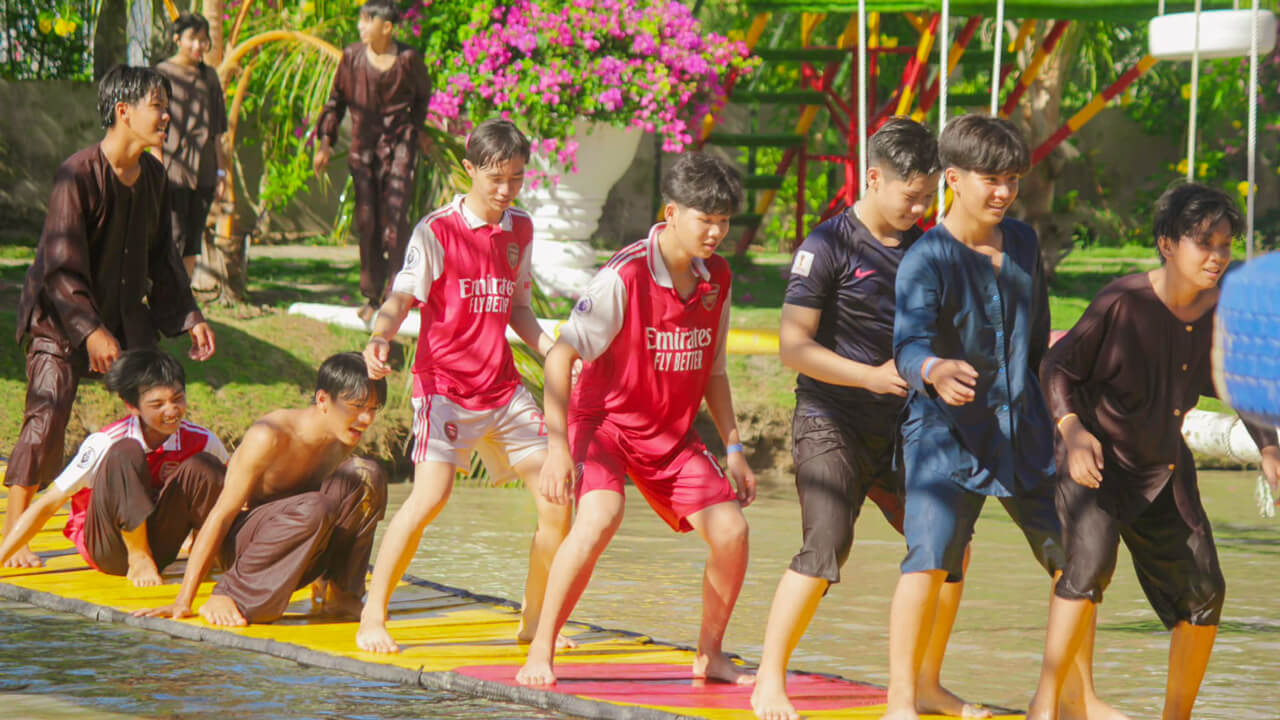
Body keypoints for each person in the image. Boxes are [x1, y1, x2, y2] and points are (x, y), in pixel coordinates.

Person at [752, 118, 985, 720]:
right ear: (873, 178)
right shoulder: (826, 246)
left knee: (949, 546)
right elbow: (792, 347)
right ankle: (768, 680)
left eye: (928, 196)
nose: (920, 207)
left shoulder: (927, 248)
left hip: (908, 423)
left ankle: (925, 685)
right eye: (910, 195)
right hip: (832, 415)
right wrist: (867, 376)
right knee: (827, 544)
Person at [1026, 183, 1280, 720]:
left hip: (1163, 469)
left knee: (1206, 594)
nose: (1216, 257)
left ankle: (1176, 716)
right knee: (1087, 569)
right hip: (1095, 463)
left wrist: (1269, 448)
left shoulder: (1217, 315)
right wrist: (1071, 430)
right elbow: (1057, 368)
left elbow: (1238, 385)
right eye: (1203, 243)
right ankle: (1044, 707)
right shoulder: (1122, 302)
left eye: (1226, 245)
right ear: (1167, 244)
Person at [885, 114, 1107, 720]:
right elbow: (907, 345)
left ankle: (1077, 701)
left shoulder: (1026, 243)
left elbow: (1038, 346)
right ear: (952, 178)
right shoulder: (926, 258)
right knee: (929, 560)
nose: (1004, 192)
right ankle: (902, 701)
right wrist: (933, 368)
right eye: (991, 179)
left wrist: (1068, 417)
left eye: (1012, 179)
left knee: (1078, 562)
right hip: (943, 440)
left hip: (1024, 434)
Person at [517, 152, 756, 688]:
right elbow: (560, 356)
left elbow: (714, 370)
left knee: (733, 532)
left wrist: (735, 448)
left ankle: (709, 654)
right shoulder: (624, 276)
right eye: (705, 219)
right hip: (604, 425)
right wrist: (558, 450)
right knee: (600, 517)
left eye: (724, 221)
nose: (716, 231)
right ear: (671, 213)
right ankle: (541, 647)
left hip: (671, 436)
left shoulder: (717, 275)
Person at [356, 119, 569, 653]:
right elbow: (400, 299)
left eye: (517, 179)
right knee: (431, 496)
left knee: (558, 499)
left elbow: (518, 309)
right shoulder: (437, 230)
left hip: (501, 386)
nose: (505, 191)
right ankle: (373, 617)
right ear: (469, 169)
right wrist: (380, 337)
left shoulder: (520, 228)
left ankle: (535, 620)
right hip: (444, 385)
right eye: (495, 179)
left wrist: (553, 353)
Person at [5, 65, 216, 570]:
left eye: (167, 107)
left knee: (158, 401)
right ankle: (16, 536)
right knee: (48, 410)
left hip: (124, 316)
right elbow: (58, 268)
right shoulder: (76, 174)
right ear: (124, 111)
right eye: (157, 107)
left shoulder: (155, 177)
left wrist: (189, 316)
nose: (167, 117)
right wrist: (90, 331)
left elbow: (164, 258)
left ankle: (160, 520)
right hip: (61, 317)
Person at [137, 353, 388, 626]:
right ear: (323, 401)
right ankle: (230, 594)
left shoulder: (344, 435)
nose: (366, 418)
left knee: (367, 476)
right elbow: (221, 515)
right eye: (357, 406)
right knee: (315, 505)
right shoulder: (270, 434)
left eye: (374, 408)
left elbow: (338, 512)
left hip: (301, 540)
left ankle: (340, 592)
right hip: (247, 548)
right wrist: (184, 600)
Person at [0, 350, 227, 584]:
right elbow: (48, 504)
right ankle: (138, 557)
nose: (171, 411)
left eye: (178, 399)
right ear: (132, 406)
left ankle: (203, 555)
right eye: (157, 404)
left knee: (207, 466)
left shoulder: (202, 440)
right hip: (107, 548)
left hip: (161, 549)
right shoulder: (106, 441)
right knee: (126, 451)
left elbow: (236, 495)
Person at [313, 0, 432, 321]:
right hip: (362, 150)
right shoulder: (351, 58)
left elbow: (423, 96)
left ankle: (397, 296)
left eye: (367, 21)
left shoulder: (408, 60)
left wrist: (417, 130)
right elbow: (335, 102)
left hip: (400, 147)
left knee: (395, 223)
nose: (360, 27)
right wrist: (325, 143)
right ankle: (372, 296)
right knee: (367, 221)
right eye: (361, 20)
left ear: (387, 27)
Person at [156, 11, 230, 280]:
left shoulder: (210, 77)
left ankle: (183, 302)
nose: (199, 45)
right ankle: (165, 302)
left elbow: (218, 131)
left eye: (204, 40)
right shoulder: (162, 74)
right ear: (177, 39)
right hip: (173, 171)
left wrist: (221, 173)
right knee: (172, 237)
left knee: (192, 243)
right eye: (193, 39)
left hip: (206, 174)